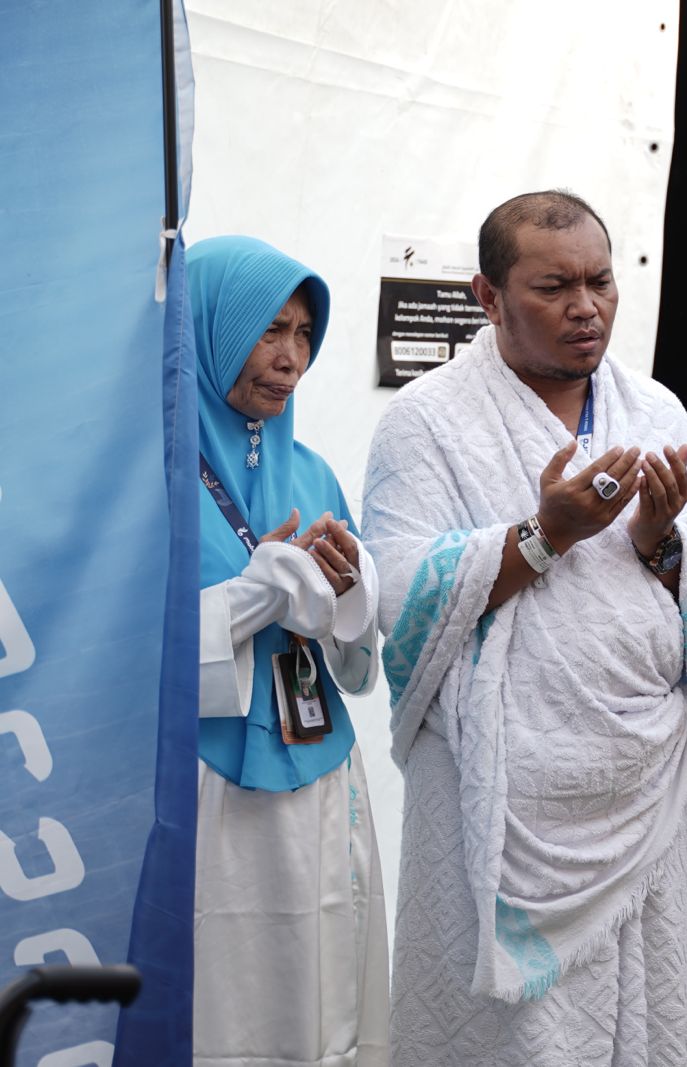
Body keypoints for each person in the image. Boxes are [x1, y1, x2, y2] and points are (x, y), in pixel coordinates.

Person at [363, 191, 687, 1065]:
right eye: (554, 287)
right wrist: (546, 538)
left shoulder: (655, 411)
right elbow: (399, 595)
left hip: (640, 792)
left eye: (602, 282)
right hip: (496, 799)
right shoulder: (423, 422)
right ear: (487, 297)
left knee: (641, 1025)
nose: (587, 307)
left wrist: (662, 543)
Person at [191, 236, 388, 1066]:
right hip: (209, 790)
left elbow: (356, 669)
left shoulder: (313, 473)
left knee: (327, 985)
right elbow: (133, 658)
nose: (290, 358)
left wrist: (346, 593)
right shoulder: (151, 478)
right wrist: (257, 591)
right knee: (230, 998)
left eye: (305, 333)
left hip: (320, 771)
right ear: (208, 329)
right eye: (269, 330)